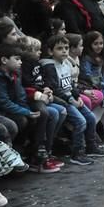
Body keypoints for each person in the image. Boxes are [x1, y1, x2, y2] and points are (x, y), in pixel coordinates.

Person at [40, 35, 104, 165]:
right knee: (80, 122)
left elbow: (71, 84)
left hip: (71, 98)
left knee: (91, 118)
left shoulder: (66, 63)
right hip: (60, 100)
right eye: (60, 48)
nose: (64, 51)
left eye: (66, 48)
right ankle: (77, 153)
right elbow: (55, 89)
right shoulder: (49, 67)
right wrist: (72, 100)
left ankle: (91, 146)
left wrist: (77, 96)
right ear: (50, 51)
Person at [18, 36, 66, 171]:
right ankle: (37, 152)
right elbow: (27, 83)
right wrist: (41, 92)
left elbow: (44, 79)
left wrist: (47, 88)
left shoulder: (38, 63)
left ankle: (47, 150)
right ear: (27, 50)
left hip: (42, 94)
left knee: (61, 110)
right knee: (45, 113)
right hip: (33, 97)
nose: (40, 53)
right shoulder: (24, 65)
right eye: (36, 50)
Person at [0, 44, 40, 151]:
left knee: (35, 117)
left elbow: (21, 96)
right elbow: (2, 102)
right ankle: (8, 156)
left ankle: (24, 151)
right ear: (4, 60)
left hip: (0, 111)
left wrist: (26, 111)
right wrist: (26, 112)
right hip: (0, 111)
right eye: (17, 59)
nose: (20, 62)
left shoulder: (15, 75)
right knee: (7, 127)